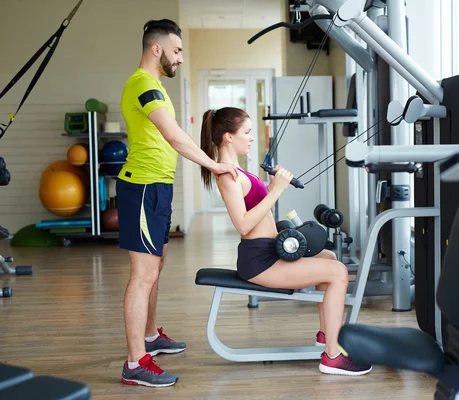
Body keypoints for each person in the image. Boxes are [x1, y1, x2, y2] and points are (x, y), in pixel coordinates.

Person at [199, 107, 373, 376]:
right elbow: (243, 224)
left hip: (268, 251)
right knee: (338, 274)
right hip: (260, 261)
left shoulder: (237, 170)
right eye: (246, 132)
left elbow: (258, 209)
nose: (251, 138)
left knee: (330, 259)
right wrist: (277, 190)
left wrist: (270, 186)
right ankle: (333, 355)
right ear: (228, 137)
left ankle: (325, 334)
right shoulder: (226, 176)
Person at [117, 19, 238, 388]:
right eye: (177, 50)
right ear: (157, 48)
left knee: (157, 266)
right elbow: (173, 136)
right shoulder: (142, 84)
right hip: (142, 188)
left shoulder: (154, 87)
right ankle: (135, 363)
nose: (180, 58)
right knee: (143, 275)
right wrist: (215, 163)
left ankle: (151, 337)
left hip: (158, 188)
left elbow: (171, 132)